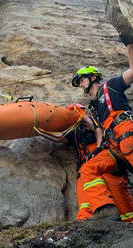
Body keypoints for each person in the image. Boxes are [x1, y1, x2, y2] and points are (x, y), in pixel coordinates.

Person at [71, 33, 133, 221]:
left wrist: (129, 45)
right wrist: (97, 150)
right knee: (89, 169)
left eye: (82, 80)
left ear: (92, 77)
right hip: (112, 145)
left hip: (127, 132)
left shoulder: (111, 86)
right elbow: (99, 132)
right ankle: (107, 209)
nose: (81, 84)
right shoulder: (94, 108)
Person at [66, 104, 133, 222]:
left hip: (106, 157)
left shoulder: (95, 119)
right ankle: (85, 217)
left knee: (117, 193)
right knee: (87, 189)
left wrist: (89, 124)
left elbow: (102, 132)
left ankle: (122, 217)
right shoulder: (74, 132)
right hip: (94, 165)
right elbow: (59, 137)